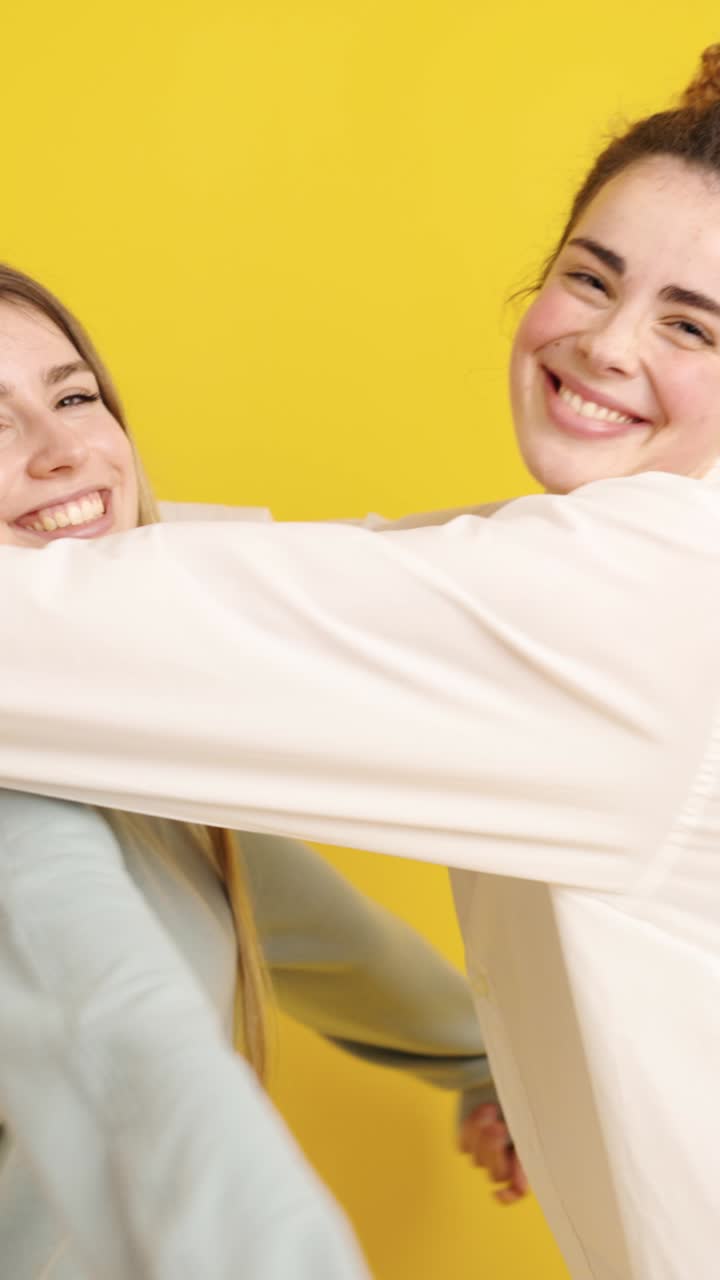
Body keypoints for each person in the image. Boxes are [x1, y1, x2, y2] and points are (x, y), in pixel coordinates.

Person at [2, 41, 720, 1280]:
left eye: (693, 324)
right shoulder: (578, 567)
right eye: (587, 278)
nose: (606, 345)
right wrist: (482, 1054)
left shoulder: (636, 598)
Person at [0, 268, 525, 1280]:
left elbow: (296, 922)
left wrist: (479, 1059)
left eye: (74, 395)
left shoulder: (108, 717)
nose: (66, 449)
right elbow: (121, 1048)